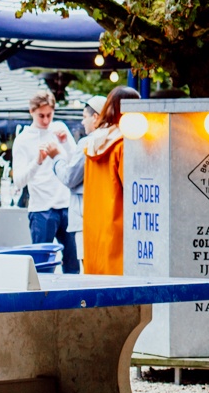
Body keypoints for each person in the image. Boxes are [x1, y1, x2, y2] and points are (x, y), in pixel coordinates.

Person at [12, 90, 82, 274]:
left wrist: (65, 142)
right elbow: (18, 181)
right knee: (42, 268)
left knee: (73, 265)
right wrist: (38, 161)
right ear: (31, 112)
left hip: (66, 204)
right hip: (41, 209)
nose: (45, 120)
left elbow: (77, 164)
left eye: (49, 115)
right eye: (41, 115)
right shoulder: (22, 140)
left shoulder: (60, 129)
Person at [81, 85, 140, 274]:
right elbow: (133, 191)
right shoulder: (123, 145)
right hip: (119, 232)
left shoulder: (92, 143)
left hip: (94, 231)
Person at [55, 94, 104, 265]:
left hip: (84, 216)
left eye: (85, 117)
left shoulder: (88, 143)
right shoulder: (116, 140)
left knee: (88, 268)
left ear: (96, 117)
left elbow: (70, 177)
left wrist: (56, 160)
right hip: (106, 217)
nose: (82, 122)